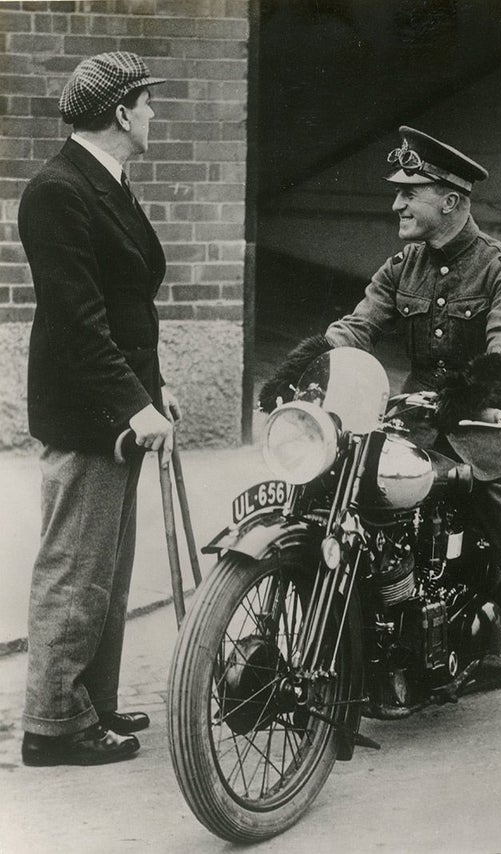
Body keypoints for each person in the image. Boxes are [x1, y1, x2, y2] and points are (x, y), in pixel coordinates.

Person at [259, 126, 501, 759]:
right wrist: (301, 369)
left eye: (409, 194)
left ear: (449, 199)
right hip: (416, 424)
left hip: (487, 430)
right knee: (337, 497)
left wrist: (474, 391)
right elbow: (359, 325)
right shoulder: (403, 267)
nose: (396, 206)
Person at [18, 52, 180, 766]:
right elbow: (80, 323)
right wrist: (131, 405)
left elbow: (128, 307)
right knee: (76, 573)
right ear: (120, 112)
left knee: (108, 573)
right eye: (147, 104)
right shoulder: (57, 191)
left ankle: (94, 706)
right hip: (88, 417)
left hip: (118, 411)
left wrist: (154, 389)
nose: (152, 116)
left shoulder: (106, 182)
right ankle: (53, 726)